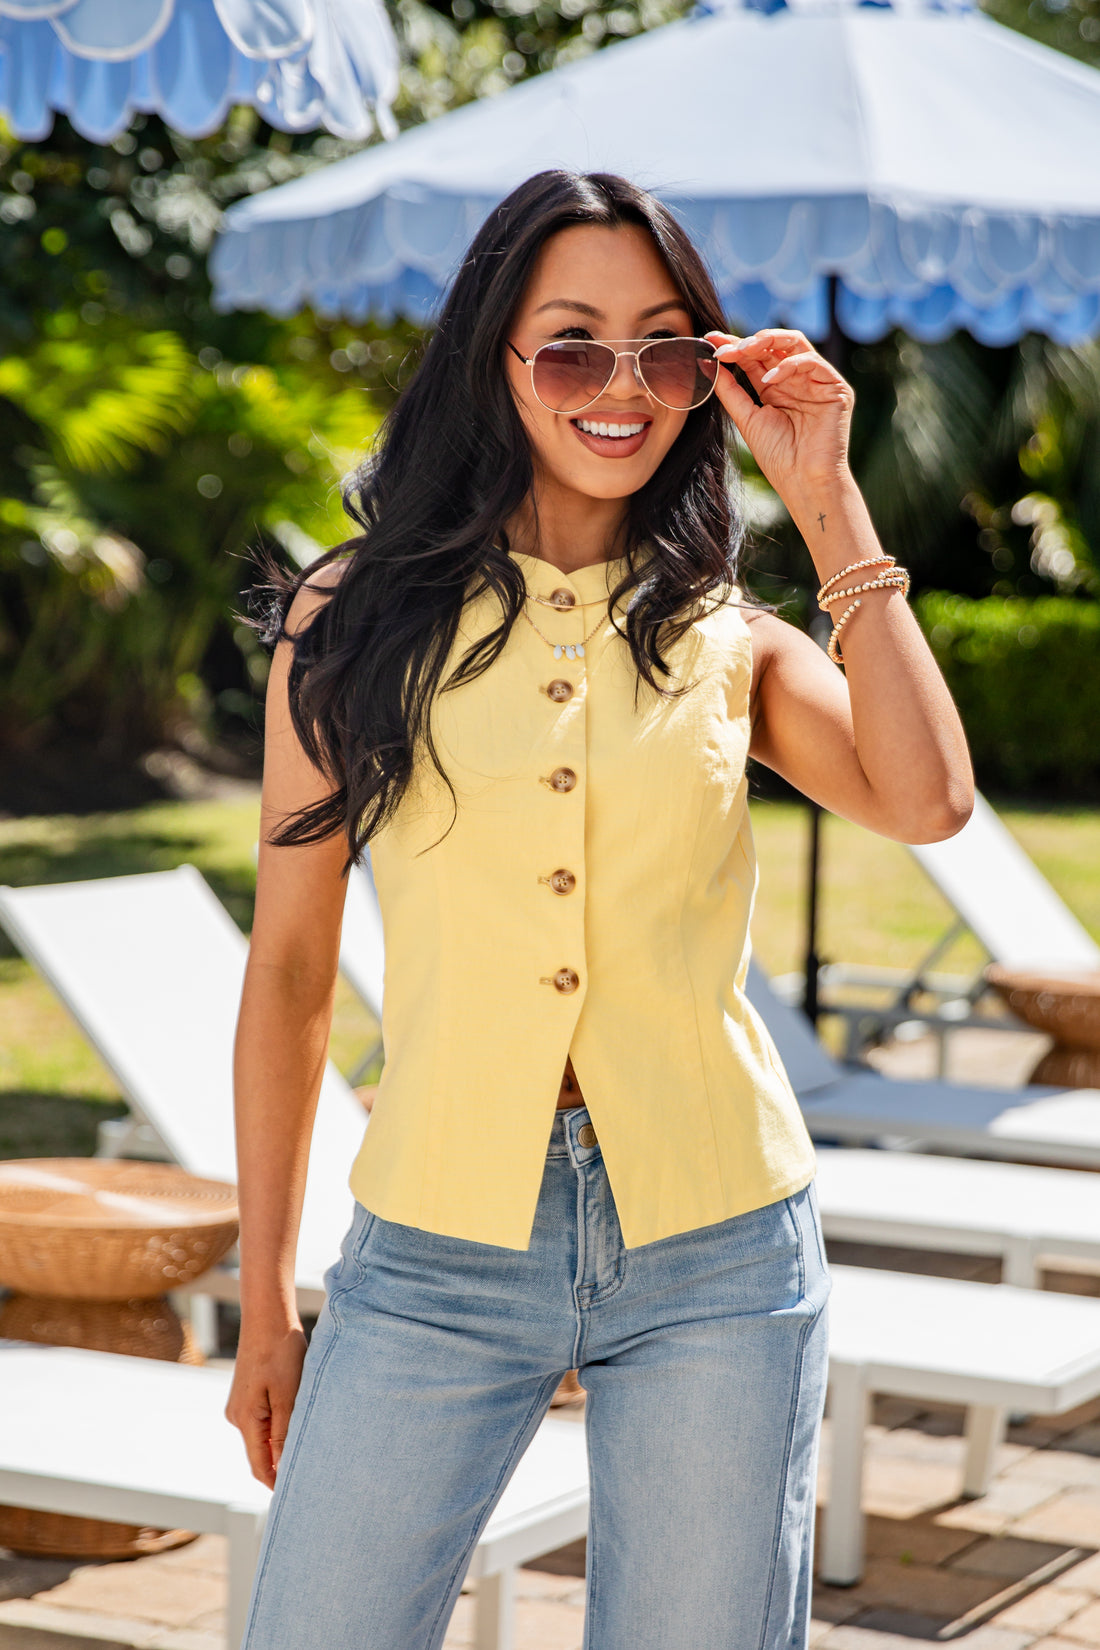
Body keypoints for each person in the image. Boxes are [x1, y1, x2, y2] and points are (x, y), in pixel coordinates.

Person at [227, 169, 973, 1650]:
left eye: (665, 351)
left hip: (720, 1247)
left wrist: (827, 500)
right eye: (572, 347)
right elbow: (293, 969)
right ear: (493, 359)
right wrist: (266, 1303)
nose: (622, 387)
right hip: (434, 1243)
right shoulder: (352, 617)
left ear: (708, 375)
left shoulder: (728, 638)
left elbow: (929, 798)